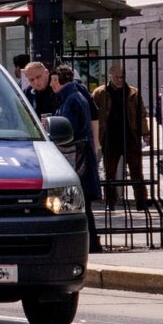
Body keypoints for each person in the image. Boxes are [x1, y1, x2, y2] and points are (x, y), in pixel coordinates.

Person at [50, 64, 102, 253]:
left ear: (59, 80)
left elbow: (66, 130)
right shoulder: (75, 97)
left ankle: (90, 245)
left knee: (80, 205)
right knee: (82, 205)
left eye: (53, 81)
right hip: (81, 157)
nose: (51, 85)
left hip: (76, 159)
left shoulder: (71, 100)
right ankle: (92, 244)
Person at [93, 64, 149, 209]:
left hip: (130, 135)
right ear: (110, 76)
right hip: (110, 136)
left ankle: (141, 201)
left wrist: (145, 133)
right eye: (116, 77)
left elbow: (141, 114)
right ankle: (110, 202)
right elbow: (93, 114)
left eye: (122, 77)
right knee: (109, 172)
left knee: (136, 170)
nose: (119, 80)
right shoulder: (100, 93)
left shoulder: (133, 93)